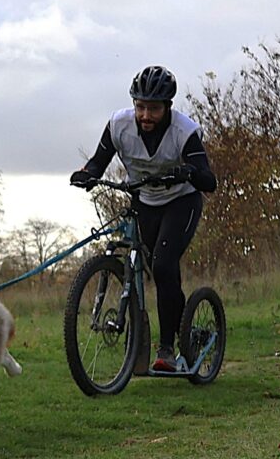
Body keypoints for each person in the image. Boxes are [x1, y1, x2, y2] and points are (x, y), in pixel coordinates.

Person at [70, 65, 217, 372]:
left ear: (167, 107)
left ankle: (165, 349)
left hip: (181, 202)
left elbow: (209, 180)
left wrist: (189, 171)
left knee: (163, 263)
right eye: (140, 107)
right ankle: (171, 333)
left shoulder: (183, 132)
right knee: (158, 271)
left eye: (153, 109)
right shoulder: (118, 125)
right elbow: (98, 162)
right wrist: (87, 175)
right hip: (145, 201)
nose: (146, 116)